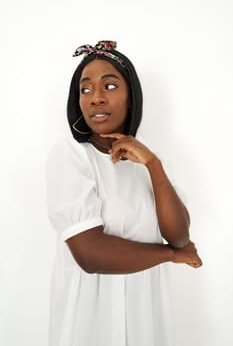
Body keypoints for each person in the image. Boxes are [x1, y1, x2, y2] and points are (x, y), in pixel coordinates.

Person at [46, 40, 202, 346]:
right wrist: (171, 256)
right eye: (86, 89)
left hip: (147, 318)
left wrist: (154, 165)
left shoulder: (148, 161)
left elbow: (180, 235)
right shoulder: (70, 157)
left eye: (110, 86)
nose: (96, 99)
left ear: (132, 97)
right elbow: (90, 254)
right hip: (90, 323)